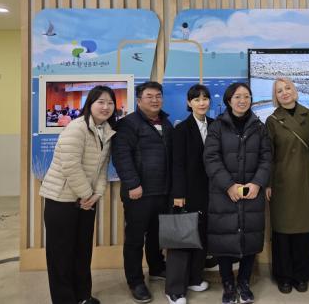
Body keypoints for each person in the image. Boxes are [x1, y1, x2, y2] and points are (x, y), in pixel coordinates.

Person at [40, 85, 117, 304]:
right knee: (61, 255)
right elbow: (70, 166)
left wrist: (96, 194)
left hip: (86, 201)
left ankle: (83, 296)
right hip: (61, 201)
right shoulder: (77, 128)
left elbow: (102, 168)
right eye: (100, 102)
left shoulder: (106, 131)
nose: (106, 107)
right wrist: (87, 195)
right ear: (89, 104)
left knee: (82, 252)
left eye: (110, 102)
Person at [204, 82, 271, 304]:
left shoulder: (259, 127)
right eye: (238, 97)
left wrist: (258, 183)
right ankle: (228, 284)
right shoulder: (217, 127)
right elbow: (211, 158)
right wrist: (228, 185)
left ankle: (244, 283)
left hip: (252, 192)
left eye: (247, 96)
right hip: (224, 193)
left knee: (250, 239)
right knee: (224, 241)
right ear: (229, 100)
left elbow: (266, 158)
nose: (243, 100)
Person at [112, 81, 173, 303]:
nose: (155, 100)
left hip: (162, 191)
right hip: (139, 192)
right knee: (135, 239)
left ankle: (156, 268)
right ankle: (135, 281)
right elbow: (121, 156)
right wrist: (132, 184)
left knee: (157, 235)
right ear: (139, 100)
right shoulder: (127, 124)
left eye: (158, 96)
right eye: (149, 96)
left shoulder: (166, 122)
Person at [264, 77, 309, 294]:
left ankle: (302, 275)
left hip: (306, 181)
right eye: (279, 91)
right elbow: (268, 155)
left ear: (295, 91)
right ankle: (284, 276)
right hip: (281, 183)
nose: (285, 93)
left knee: (305, 233)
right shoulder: (272, 120)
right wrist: (268, 183)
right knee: (282, 233)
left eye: (287, 88)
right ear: (276, 97)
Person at [166, 84, 214, 304]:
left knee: (201, 236)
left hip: (209, 192)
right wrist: (178, 193)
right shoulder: (181, 129)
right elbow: (176, 164)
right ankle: (175, 290)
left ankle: (195, 278)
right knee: (182, 239)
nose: (202, 103)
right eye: (196, 99)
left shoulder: (215, 125)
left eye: (205, 98)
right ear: (189, 103)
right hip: (186, 192)